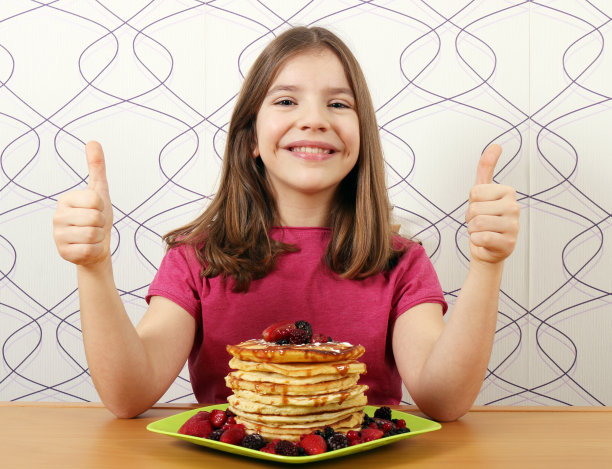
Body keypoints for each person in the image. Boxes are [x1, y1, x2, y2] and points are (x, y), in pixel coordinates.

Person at [52, 26, 519, 420]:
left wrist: (487, 265)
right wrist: (93, 268)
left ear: (363, 139)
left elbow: (445, 400)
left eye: (339, 104)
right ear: (251, 138)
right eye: (286, 102)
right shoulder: (196, 259)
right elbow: (128, 394)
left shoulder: (401, 263)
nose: (314, 119)